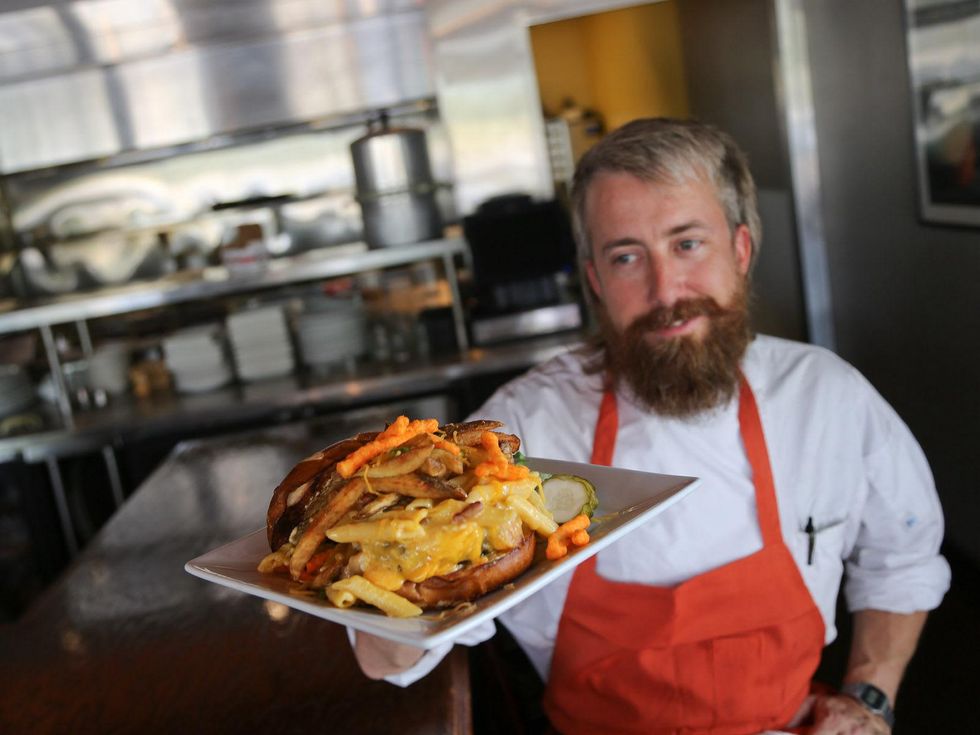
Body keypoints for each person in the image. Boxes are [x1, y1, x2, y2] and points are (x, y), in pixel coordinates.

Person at [352, 118, 950, 735]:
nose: (666, 291)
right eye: (627, 256)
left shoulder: (826, 397)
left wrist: (869, 701)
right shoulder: (522, 432)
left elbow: (901, 558)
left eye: (688, 244)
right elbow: (399, 643)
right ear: (595, 281)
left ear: (740, 251)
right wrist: (379, 600)